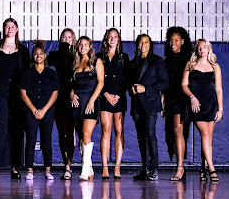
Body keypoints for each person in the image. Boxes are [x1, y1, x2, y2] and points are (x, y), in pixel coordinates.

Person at [0, 18, 30, 179]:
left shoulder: (23, 51)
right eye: (7, 26)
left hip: (18, 97)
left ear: (17, 29)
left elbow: (27, 74)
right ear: (3, 29)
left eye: (12, 26)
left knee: (17, 131)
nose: (9, 29)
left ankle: (15, 166)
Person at [182, 39, 223, 183]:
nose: (201, 50)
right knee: (205, 134)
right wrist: (192, 97)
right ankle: (212, 168)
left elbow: (218, 89)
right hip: (197, 105)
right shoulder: (190, 65)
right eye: (199, 48)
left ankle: (202, 168)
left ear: (209, 49)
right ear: (196, 50)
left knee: (207, 139)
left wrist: (220, 109)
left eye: (204, 47)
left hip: (211, 104)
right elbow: (184, 85)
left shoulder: (215, 66)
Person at [130, 34, 169, 181]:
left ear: (150, 44)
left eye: (146, 42)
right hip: (137, 105)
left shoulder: (157, 61)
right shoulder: (133, 63)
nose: (143, 45)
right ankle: (145, 169)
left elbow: (164, 83)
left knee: (150, 135)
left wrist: (145, 89)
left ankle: (154, 169)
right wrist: (131, 89)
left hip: (151, 104)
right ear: (137, 45)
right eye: (140, 42)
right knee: (141, 137)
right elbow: (130, 82)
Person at [20, 40, 59, 180]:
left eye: (41, 53)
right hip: (31, 111)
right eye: (36, 53)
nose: (38, 56)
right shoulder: (27, 72)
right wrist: (34, 110)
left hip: (47, 111)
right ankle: (29, 170)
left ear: (45, 55)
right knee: (30, 140)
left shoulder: (51, 73)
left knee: (46, 141)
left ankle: (48, 170)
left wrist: (44, 110)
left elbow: (55, 93)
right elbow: (23, 93)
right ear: (33, 56)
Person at [96, 28, 130, 180]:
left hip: (119, 97)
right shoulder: (99, 57)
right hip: (104, 96)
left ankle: (117, 166)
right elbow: (96, 79)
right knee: (106, 129)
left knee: (119, 130)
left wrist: (118, 95)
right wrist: (105, 94)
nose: (112, 39)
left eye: (115, 37)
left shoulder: (124, 58)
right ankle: (104, 166)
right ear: (106, 39)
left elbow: (127, 80)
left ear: (119, 40)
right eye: (110, 37)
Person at [70, 36, 104, 181]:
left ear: (90, 46)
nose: (83, 47)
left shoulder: (97, 61)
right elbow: (71, 83)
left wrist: (91, 101)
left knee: (86, 133)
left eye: (85, 44)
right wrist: (71, 93)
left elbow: (101, 83)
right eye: (80, 45)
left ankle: (84, 169)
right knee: (80, 137)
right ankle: (89, 169)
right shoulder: (75, 63)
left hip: (90, 101)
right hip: (77, 103)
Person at [161, 26, 192, 181]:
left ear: (183, 42)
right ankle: (181, 166)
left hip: (183, 99)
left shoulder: (188, 59)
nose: (173, 43)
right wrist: (162, 102)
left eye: (176, 40)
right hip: (171, 100)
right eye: (171, 40)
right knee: (174, 133)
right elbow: (165, 83)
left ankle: (180, 168)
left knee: (179, 132)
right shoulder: (167, 60)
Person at [47, 28, 76, 180]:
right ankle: (65, 163)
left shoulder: (77, 56)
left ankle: (69, 167)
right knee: (61, 133)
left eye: (69, 37)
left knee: (70, 133)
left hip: (71, 97)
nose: (66, 39)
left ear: (73, 39)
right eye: (63, 37)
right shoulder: (54, 55)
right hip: (58, 97)